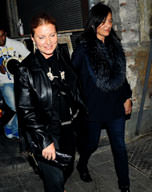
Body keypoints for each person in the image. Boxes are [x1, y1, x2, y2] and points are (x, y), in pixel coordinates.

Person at [14, 13, 84, 192]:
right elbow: (26, 111)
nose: (48, 42)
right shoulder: (25, 69)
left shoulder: (62, 56)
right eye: (41, 37)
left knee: (66, 166)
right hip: (45, 132)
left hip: (67, 127)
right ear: (32, 39)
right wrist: (44, 140)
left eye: (52, 35)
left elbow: (72, 90)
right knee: (54, 179)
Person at [71, 3, 132, 192]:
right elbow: (72, 77)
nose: (107, 25)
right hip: (94, 107)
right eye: (103, 21)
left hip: (115, 106)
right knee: (91, 144)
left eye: (110, 21)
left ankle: (125, 185)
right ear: (94, 22)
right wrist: (79, 102)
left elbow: (121, 76)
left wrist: (127, 97)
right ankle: (82, 164)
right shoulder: (83, 49)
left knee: (120, 148)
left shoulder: (115, 45)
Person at [0, 24, 30, 139]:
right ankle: (14, 130)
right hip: (5, 82)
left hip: (20, 80)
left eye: (2, 36)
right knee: (15, 107)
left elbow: (29, 58)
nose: (0, 39)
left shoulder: (16, 45)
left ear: (5, 34)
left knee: (23, 106)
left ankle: (10, 126)